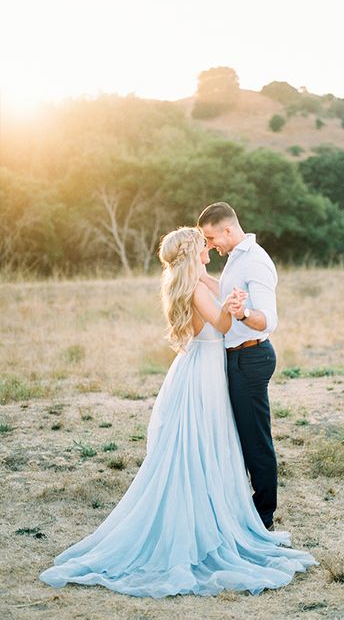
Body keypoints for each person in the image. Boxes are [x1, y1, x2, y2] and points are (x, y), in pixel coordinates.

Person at [39, 227, 316, 598]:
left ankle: (220, 513)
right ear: (192, 251)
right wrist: (234, 308)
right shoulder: (196, 288)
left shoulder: (196, 281)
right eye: (202, 244)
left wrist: (225, 292)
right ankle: (206, 522)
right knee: (199, 443)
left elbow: (215, 296)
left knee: (204, 442)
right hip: (203, 370)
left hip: (201, 366)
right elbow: (220, 323)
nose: (208, 247)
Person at [197, 202, 279, 531]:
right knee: (239, 436)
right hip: (238, 356)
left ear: (228, 230)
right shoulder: (235, 258)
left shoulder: (256, 262)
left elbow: (267, 319)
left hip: (251, 356)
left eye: (212, 238)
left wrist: (243, 314)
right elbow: (230, 295)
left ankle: (263, 517)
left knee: (254, 439)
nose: (210, 245)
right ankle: (244, 508)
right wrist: (203, 279)